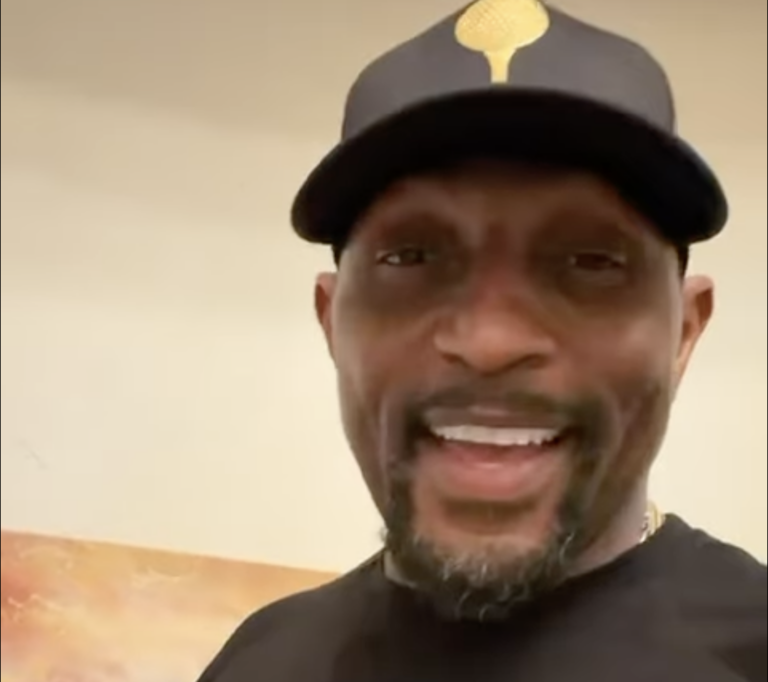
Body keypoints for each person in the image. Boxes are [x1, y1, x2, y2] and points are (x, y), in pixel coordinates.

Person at [197, 2, 766, 680]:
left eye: (591, 261)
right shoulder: (263, 660)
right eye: (410, 257)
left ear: (684, 331)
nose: (490, 342)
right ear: (331, 322)